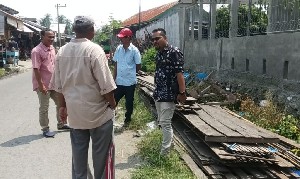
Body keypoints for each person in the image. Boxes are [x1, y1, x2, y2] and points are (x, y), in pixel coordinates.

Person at [54, 16, 117, 179]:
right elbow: (106, 86)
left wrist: (62, 107)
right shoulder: (94, 50)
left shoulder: (62, 51)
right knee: (102, 160)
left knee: (78, 160)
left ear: (75, 31)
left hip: (75, 116)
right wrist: (113, 104)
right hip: (99, 115)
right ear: (91, 31)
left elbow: (60, 86)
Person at [151, 28, 187, 155]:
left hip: (169, 93)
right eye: (153, 39)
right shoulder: (159, 53)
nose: (154, 41)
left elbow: (179, 74)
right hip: (158, 92)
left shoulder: (174, 52)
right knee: (161, 121)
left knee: (166, 123)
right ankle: (170, 145)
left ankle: (164, 153)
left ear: (165, 38)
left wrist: (182, 93)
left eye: (157, 38)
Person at [31, 29, 70, 138]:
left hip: (54, 83)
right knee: (44, 107)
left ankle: (61, 124)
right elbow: (36, 69)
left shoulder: (52, 48)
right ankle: (45, 128)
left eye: (53, 37)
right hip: (43, 84)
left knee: (61, 103)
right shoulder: (36, 51)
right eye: (49, 37)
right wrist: (41, 85)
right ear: (42, 36)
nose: (52, 39)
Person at [112, 28, 141, 128]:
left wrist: (130, 73)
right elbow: (116, 64)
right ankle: (109, 119)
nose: (121, 39)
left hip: (130, 83)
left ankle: (127, 119)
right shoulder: (118, 49)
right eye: (120, 37)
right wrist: (113, 79)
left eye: (123, 37)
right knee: (113, 101)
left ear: (129, 38)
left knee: (129, 103)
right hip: (119, 82)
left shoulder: (134, 51)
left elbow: (138, 66)